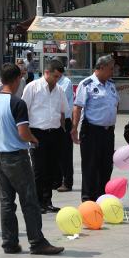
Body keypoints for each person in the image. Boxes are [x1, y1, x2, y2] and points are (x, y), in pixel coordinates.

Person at [0, 63, 64, 255]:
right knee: (30, 201)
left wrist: (2, 133)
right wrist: (34, 139)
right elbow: (23, 132)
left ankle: (9, 243)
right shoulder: (17, 103)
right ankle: (37, 242)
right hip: (16, 158)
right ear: (17, 79)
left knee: (6, 202)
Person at [71, 55, 119, 202]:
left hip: (108, 131)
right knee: (90, 166)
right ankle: (88, 199)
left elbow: (115, 104)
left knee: (106, 166)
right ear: (102, 67)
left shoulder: (111, 85)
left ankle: (102, 197)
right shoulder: (87, 84)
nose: (112, 72)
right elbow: (78, 107)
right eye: (110, 69)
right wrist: (74, 128)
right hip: (92, 131)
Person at [22, 60, 67, 213]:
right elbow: (24, 110)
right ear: (46, 72)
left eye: (59, 77)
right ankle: (37, 202)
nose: (57, 80)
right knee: (38, 170)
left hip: (54, 133)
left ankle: (47, 201)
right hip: (37, 132)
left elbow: (62, 112)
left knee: (51, 169)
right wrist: (26, 134)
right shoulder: (32, 87)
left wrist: (63, 131)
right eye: (55, 76)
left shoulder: (59, 90)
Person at [56, 64, 74, 192]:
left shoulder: (66, 82)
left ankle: (67, 181)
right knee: (55, 153)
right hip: (53, 121)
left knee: (65, 153)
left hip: (65, 121)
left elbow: (59, 99)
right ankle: (56, 179)